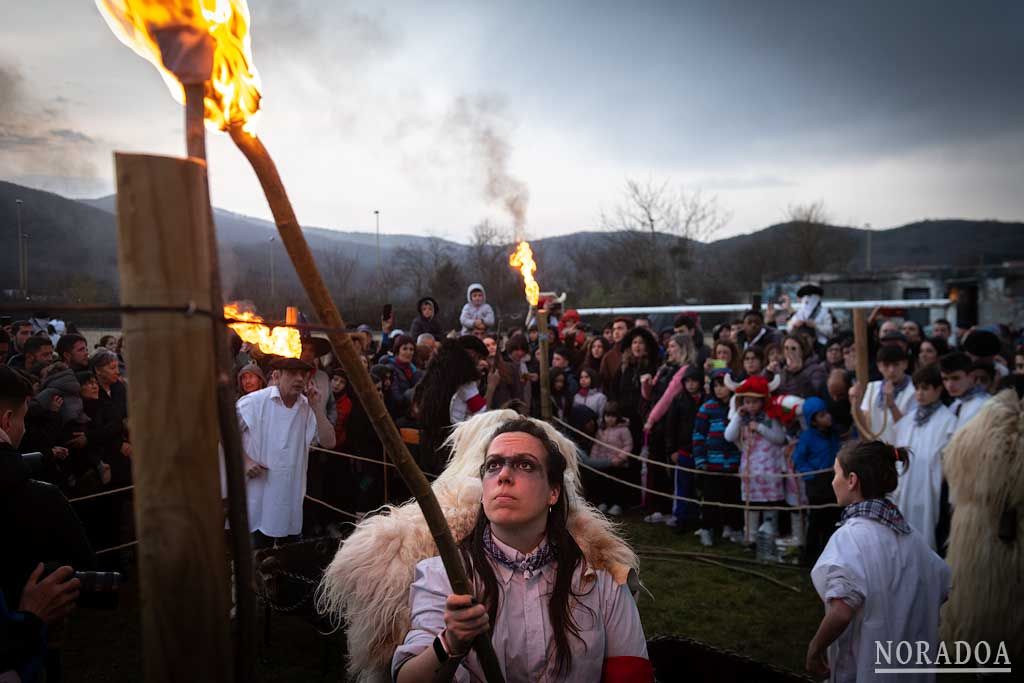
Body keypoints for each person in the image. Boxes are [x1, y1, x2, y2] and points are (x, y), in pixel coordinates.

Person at [391, 417, 651, 682]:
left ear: (553, 492)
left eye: (525, 464)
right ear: (483, 490)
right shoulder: (443, 575)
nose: (503, 475)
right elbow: (407, 679)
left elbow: (632, 674)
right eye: (493, 466)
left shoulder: (601, 577)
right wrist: (450, 643)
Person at [807, 441, 950, 681]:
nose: (833, 481)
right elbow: (941, 585)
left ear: (852, 480)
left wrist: (815, 649)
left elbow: (841, 611)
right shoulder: (913, 537)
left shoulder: (850, 538)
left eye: (836, 473)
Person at [1, 366, 94, 681]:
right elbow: (82, 567)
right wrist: (30, 620)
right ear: (6, 420)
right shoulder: (37, 497)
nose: (24, 430)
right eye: (24, 419)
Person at [237, 357, 336, 548]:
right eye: (292, 373)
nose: (299, 378)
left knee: (287, 558)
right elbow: (225, 432)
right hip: (257, 495)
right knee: (255, 555)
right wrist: (246, 461)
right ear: (276, 375)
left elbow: (329, 442)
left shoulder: (308, 408)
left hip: (289, 498)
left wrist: (317, 407)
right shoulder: (254, 402)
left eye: (303, 374)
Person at [890, 365, 956, 552]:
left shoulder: (948, 421)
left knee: (925, 533)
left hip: (929, 488)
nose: (919, 393)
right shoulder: (909, 419)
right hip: (906, 485)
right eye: (917, 388)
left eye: (925, 388)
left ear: (938, 389)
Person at [725, 375, 788, 545]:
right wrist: (738, 417)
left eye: (755, 402)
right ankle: (750, 537)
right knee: (751, 505)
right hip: (750, 471)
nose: (751, 406)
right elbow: (729, 436)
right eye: (747, 401)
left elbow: (780, 438)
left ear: (762, 402)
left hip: (769, 471)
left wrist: (760, 427)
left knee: (770, 505)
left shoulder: (769, 417)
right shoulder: (742, 418)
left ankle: (769, 538)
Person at [692, 368, 742, 545]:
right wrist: (700, 460)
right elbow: (698, 435)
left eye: (723, 385)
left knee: (732, 498)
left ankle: (732, 528)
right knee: (711, 499)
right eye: (716, 386)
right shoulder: (707, 408)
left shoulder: (737, 407)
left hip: (733, 463)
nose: (719, 389)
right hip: (712, 463)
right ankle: (707, 529)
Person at [791, 396, 841, 564]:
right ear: (813, 421)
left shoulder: (833, 434)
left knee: (833, 517)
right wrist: (811, 475)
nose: (827, 417)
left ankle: (830, 553)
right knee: (816, 519)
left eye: (826, 413)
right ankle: (810, 556)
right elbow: (798, 459)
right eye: (821, 415)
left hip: (833, 480)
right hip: (816, 483)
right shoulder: (807, 438)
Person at [663, 365, 707, 532]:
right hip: (682, 451)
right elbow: (670, 426)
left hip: (701, 451)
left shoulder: (706, 400)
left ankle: (696, 517)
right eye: (687, 381)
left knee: (699, 487)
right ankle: (680, 518)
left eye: (694, 381)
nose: (690, 384)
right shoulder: (679, 400)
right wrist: (671, 450)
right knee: (682, 486)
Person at [851, 345, 916, 445]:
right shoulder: (872, 387)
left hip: (901, 449)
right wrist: (855, 402)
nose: (891, 370)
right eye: (886, 365)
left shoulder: (914, 390)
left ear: (905, 364)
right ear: (879, 366)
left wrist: (892, 405)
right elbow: (864, 425)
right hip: (877, 449)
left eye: (896, 365)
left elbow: (909, 428)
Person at [588, 402, 632, 516]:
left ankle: (617, 504)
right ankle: (604, 502)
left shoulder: (624, 430)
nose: (610, 419)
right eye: (607, 416)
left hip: (618, 464)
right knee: (603, 483)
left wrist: (620, 458)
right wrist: (594, 460)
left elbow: (628, 445)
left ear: (618, 417)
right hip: (603, 463)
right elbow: (596, 445)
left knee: (616, 485)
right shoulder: (601, 430)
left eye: (613, 416)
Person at [939, 351, 989, 433]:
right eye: (945, 379)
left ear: (971, 377)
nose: (949, 385)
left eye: (955, 378)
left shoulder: (984, 405)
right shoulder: (955, 404)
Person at [778, 333, 827, 398]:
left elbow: (814, 395)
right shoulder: (782, 369)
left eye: (793, 348)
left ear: (803, 350)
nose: (789, 352)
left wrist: (798, 373)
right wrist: (768, 373)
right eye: (786, 348)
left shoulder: (816, 370)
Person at [787, 284, 834, 348]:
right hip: (801, 344)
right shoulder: (800, 313)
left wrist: (815, 326)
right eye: (806, 298)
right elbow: (789, 328)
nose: (807, 301)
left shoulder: (824, 312)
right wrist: (795, 325)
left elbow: (830, 331)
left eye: (810, 297)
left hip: (820, 346)